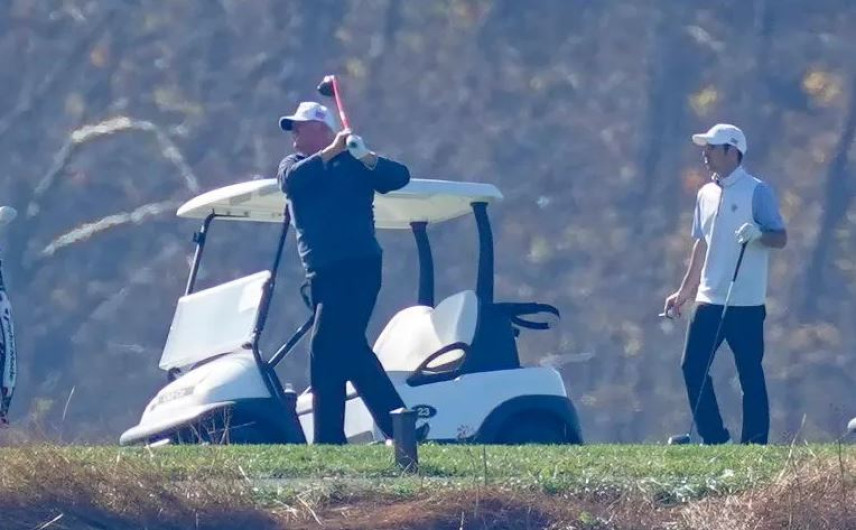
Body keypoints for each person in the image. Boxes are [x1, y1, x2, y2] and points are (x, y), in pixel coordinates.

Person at [276, 101, 409, 444]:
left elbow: (398, 177)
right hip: (322, 274)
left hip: (357, 267)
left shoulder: (354, 162)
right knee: (346, 349)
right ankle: (399, 426)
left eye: (299, 128)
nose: (293, 135)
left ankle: (330, 440)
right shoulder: (294, 166)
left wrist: (367, 157)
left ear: (321, 130)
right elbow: (291, 182)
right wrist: (331, 153)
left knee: (326, 347)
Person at [664, 123, 787, 445]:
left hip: (745, 302)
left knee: (749, 373)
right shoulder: (705, 194)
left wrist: (759, 234)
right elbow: (702, 244)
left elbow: (780, 237)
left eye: (712, 148)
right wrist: (685, 292)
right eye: (705, 148)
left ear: (733, 151)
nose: (705, 154)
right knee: (692, 367)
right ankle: (714, 436)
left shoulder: (757, 191)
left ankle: (755, 442)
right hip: (709, 298)